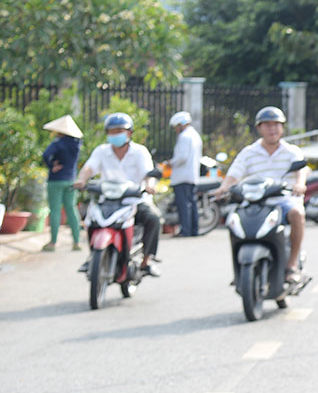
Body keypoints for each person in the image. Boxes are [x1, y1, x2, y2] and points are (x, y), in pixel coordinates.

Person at [212, 107, 308, 282]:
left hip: (283, 201)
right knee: (233, 220)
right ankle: (239, 269)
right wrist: (223, 188)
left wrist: (300, 184)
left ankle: (291, 265)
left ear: (282, 128)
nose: (272, 129)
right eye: (267, 125)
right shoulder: (249, 152)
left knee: (297, 214)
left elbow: (301, 171)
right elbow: (234, 175)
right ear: (259, 128)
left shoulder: (291, 151)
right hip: (256, 203)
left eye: (276, 125)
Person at [74, 113, 162, 276]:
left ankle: (146, 261)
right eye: (112, 131)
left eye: (120, 131)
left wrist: (149, 186)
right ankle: (93, 256)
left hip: (135, 200)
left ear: (129, 133)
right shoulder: (101, 151)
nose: (116, 135)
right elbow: (88, 168)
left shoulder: (139, 152)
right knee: (90, 218)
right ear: (107, 133)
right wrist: (81, 180)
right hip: (108, 200)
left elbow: (148, 173)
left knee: (153, 218)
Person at [40, 115, 84, 252]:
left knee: (55, 210)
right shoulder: (76, 144)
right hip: (71, 180)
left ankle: (53, 243)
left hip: (56, 180)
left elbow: (45, 155)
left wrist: (51, 165)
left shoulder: (58, 143)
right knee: (71, 210)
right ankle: (76, 242)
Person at [168, 111, 203, 236]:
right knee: (192, 204)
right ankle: (194, 230)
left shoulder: (184, 137)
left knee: (183, 205)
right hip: (192, 176)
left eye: (176, 127)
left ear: (181, 124)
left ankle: (185, 231)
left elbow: (181, 157)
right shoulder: (195, 135)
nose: (176, 130)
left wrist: (170, 163)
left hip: (182, 176)